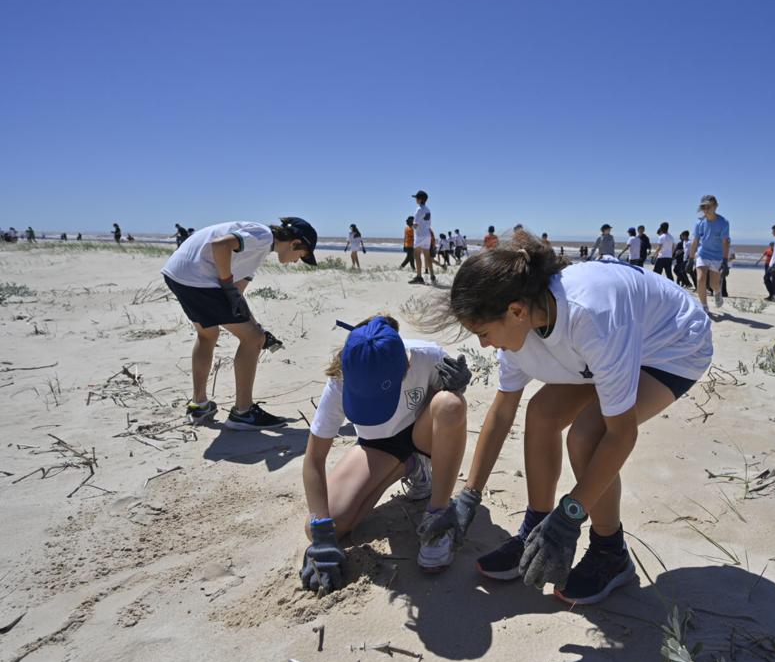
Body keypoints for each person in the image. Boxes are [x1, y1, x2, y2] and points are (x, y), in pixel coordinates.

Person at [415, 230, 713, 605]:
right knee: (540, 414)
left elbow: (621, 435)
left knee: (587, 435)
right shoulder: (520, 319)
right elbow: (503, 411)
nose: (484, 345)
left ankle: (610, 551)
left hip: (672, 344)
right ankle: (535, 528)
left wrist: (570, 516)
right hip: (612, 344)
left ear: (517, 312)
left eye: (483, 333)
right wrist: (468, 498)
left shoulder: (591, 316)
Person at [299, 315, 472, 592]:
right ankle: (412, 468)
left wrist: (459, 386)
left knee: (450, 403)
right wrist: (321, 534)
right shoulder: (340, 381)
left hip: (423, 435)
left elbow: (449, 419)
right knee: (323, 524)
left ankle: (438, 513)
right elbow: (314, 459)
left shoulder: (428, 356)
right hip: (378, 446)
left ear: (406, 366)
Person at [161, 217, 319, 428]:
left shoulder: (256, 254)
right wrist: (226, 285)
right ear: (294, 243)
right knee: (252, 340)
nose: (297, 260)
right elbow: (220, 245)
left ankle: (199, 405)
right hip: (198, 278)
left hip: (178, 273)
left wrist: (259, 328)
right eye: (303, 254)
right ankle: (243, 412)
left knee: (209, 335)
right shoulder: (263, 236)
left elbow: (237, 300)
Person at [686, 195, 730, 313]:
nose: (706, 209)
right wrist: (690, 259)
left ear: (715, 206)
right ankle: (704, 307)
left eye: (708, 206)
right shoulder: (699, 223)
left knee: (713, 284)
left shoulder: (723, 222)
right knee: (700, 279)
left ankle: (717, 292)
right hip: (703, 254)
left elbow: (726, 242)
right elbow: (695, 242)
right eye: (703, 207)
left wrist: (725, 261)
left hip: (717, 256)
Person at [409, 190, 436, 285]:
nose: (415, 199)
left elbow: (415, 225)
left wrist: (411, 225)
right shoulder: (428, 209)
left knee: (417, 255)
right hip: (427, 234)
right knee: (427, 256)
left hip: (420, 234)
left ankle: (419, 277)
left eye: (416, 198)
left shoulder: (419, 209)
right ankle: (432, 275)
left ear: (420, 199)